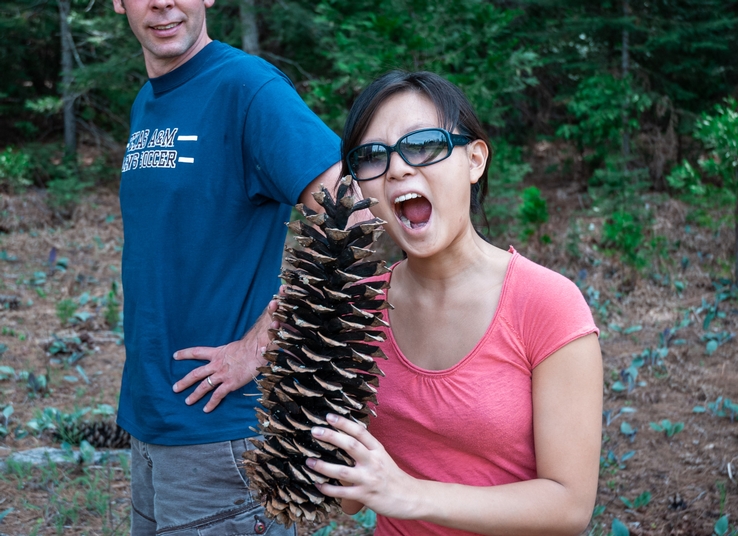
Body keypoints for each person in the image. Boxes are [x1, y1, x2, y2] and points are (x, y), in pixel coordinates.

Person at [301, 71, 604, 535]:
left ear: (475, 160)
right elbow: (344, 496)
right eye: (372, 157)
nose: (398, 169)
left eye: (422, 144)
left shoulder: (548, 305)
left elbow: (569, 507)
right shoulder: (357, 308)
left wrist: (408, 493)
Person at [111, 0, 342, 533]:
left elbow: (349, 216)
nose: (163, 3)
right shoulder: (148, 101)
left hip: (223, 436)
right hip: (153, 423)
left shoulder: (247, 89)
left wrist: (259, 344)